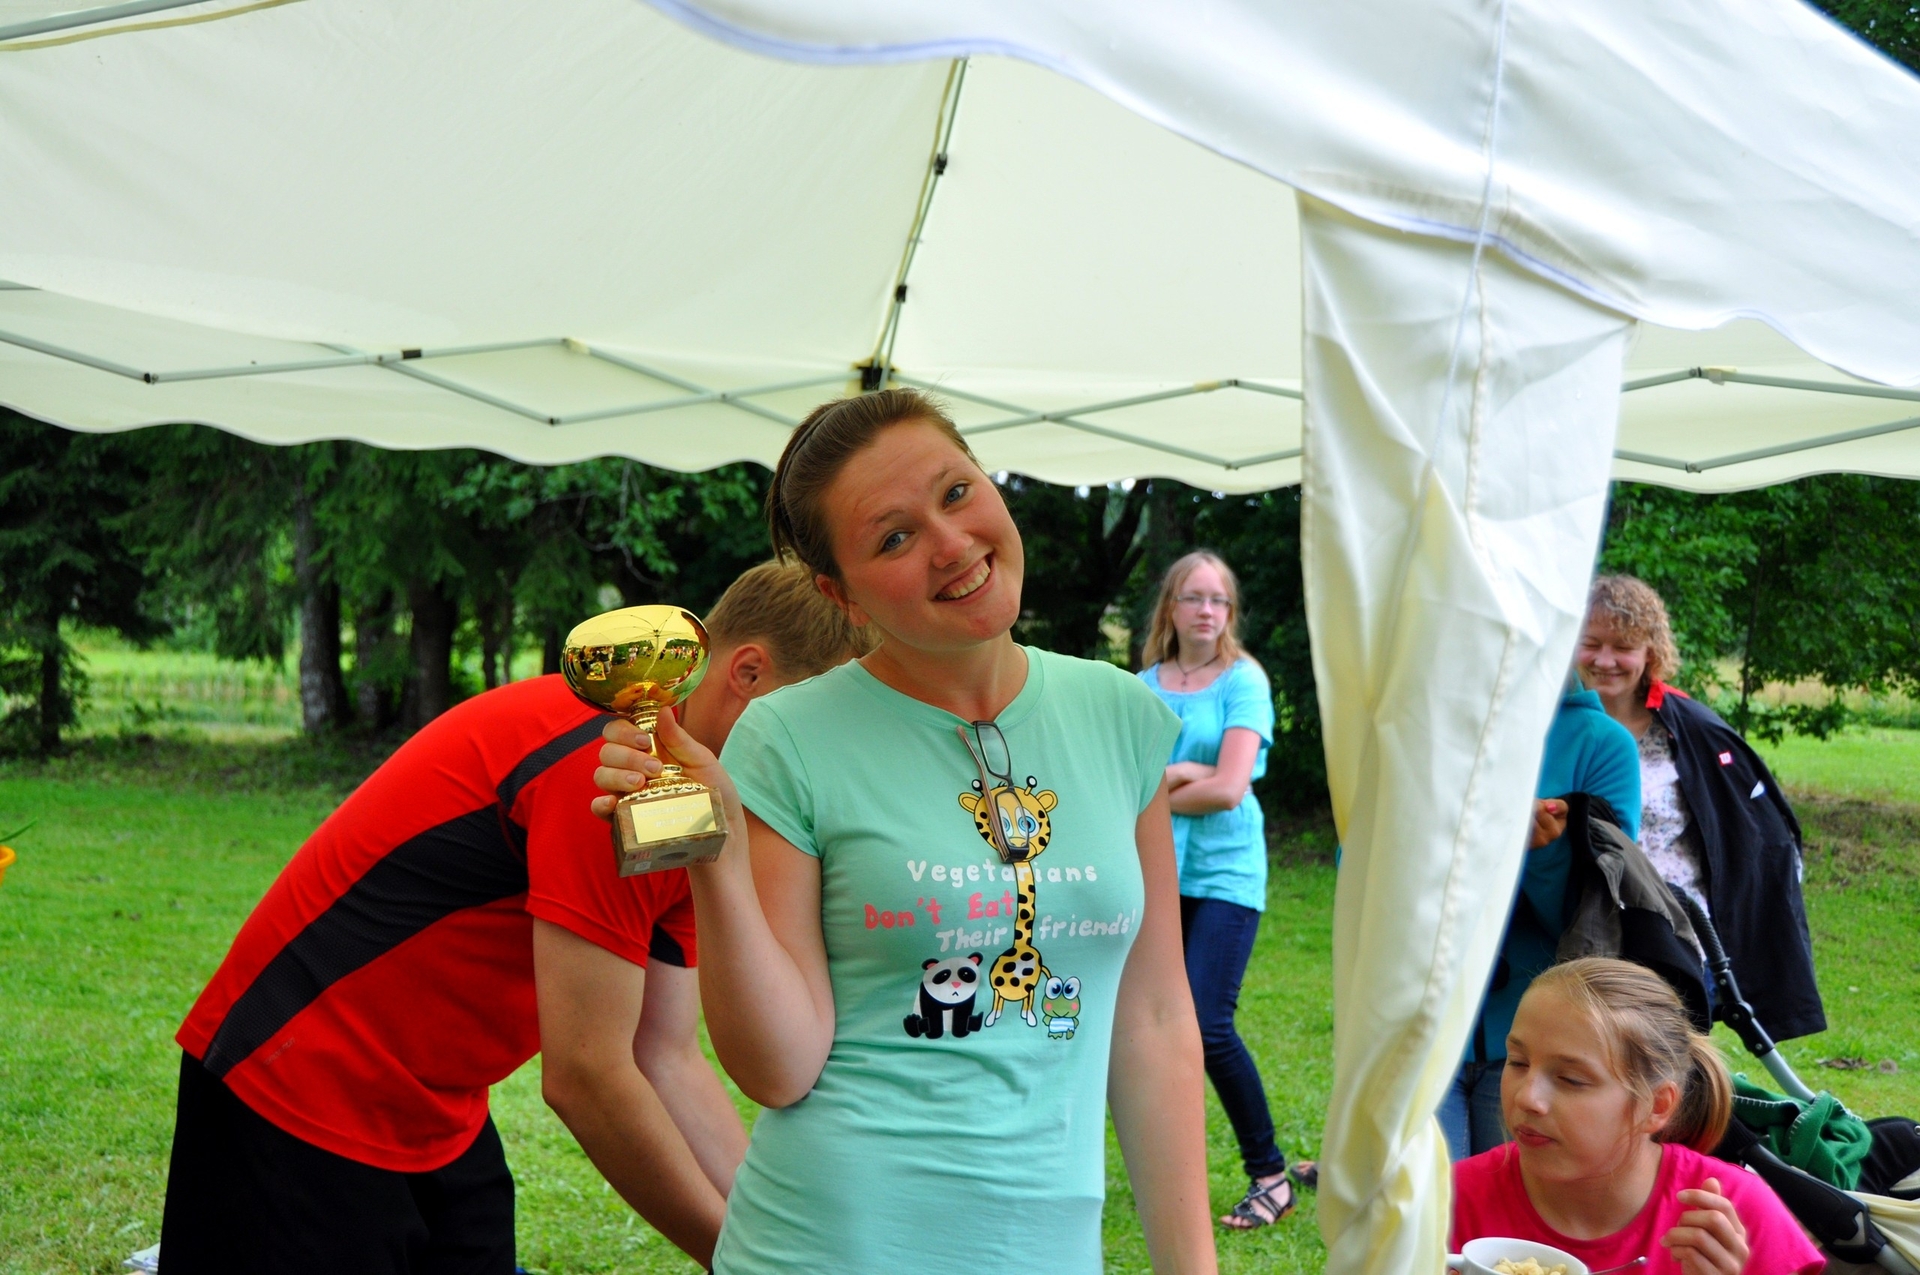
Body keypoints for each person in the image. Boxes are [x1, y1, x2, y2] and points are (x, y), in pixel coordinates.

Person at [595, 389, 1216, 1275]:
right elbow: (779, 1067)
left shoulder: (1121, 714)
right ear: (839, 594)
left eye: (957, 492)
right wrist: (718, 858)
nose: (951, 543)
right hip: (831, 1248)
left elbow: (1153, 1019)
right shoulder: (790, 735)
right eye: (893, 537)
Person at [158, 560, 871, 1275]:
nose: (830, 761)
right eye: (822, 726)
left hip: (433, 1110)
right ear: (748, 672)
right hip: (289, 1087)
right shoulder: (615, 769)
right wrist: (747, 1258)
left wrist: (783, 1237)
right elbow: (587, 1075)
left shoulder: (698, 796)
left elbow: (665, 1052)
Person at [1453, 957, 1825, 1275]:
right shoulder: (1447, 1199)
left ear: (1656, 1106)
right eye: (1518, 1062)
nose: (1527, 1097)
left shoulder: (1732, 1216)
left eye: (1570, 1079)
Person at [1576, 575, 1825, 1041]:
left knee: (1665, 1071)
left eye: (1623, 647)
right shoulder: (1550, 727)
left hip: (1672, 938)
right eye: (1591, 644)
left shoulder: (1694, 732)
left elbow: (1761, 840)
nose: (1604, 660)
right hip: (1577, 936)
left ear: (1651, 652)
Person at [1136, 551, 1294, 1230]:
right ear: (1170, 607)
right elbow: (1125, 783)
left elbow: (1231, 789)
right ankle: (1170, 1170)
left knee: (1207, 1023)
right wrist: (1189, 773)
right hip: (1156, 872)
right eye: (1194, 597)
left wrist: (1168, 778)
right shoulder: (1142, 686)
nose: (1207, 610)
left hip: (1227, 874)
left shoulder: (1243, 679)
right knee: (1153, 1024)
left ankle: (1271, 1175)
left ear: (1230, 612)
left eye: (1218, 600)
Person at [1442, 672, 1641, 1160]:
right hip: (1423, 1027)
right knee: (1422, 1201)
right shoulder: (1420, 723)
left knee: (1521, 1196)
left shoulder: (1600, 743)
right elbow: (1361, 873)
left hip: (1538, 1043)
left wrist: (1545, 854)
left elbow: (1595, 924)